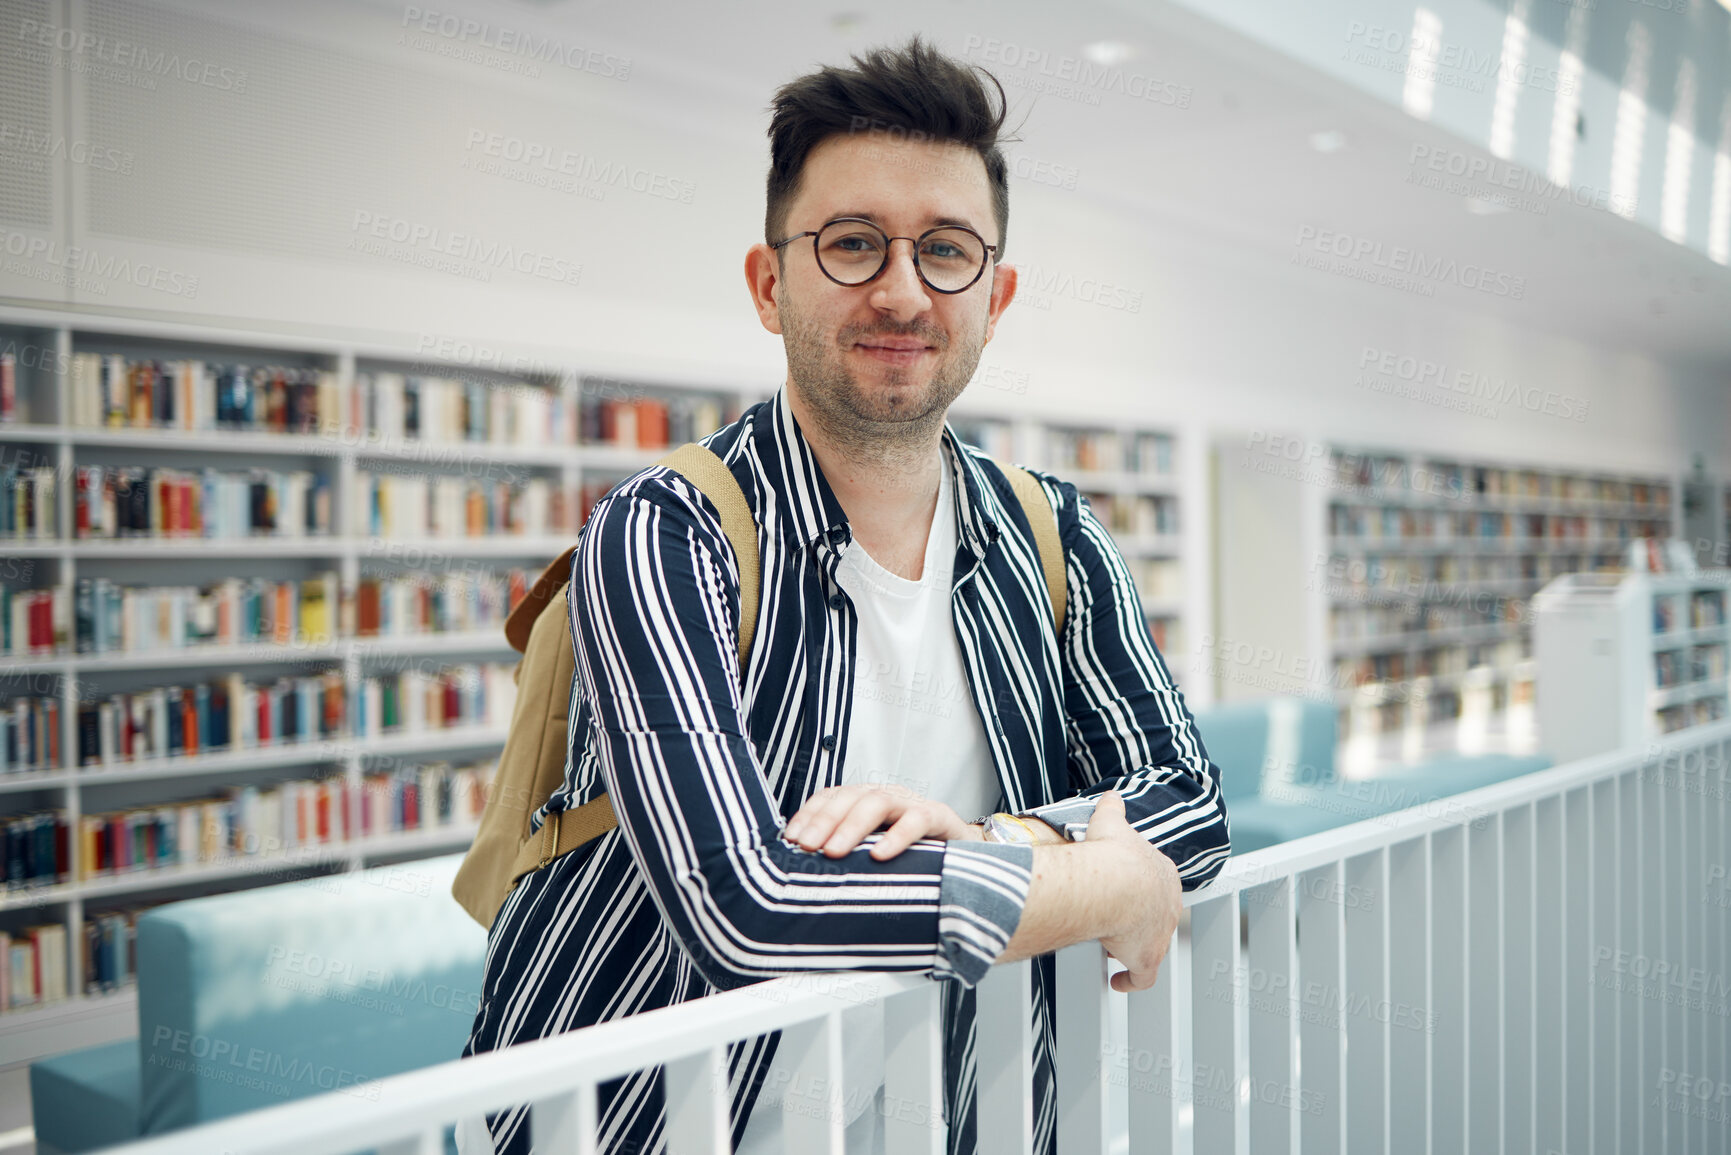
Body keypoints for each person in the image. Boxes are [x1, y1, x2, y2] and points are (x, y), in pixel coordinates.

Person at [458, 35, 1229, 1155]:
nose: (904, 291)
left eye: (949, 251)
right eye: (854, 244)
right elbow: (741, 903)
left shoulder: (1056, 532)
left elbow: (1191, 803)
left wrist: (995, 838)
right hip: (636, 1127)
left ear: (996, 295)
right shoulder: (664, 533)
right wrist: (1104, 881)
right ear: (771, 285)